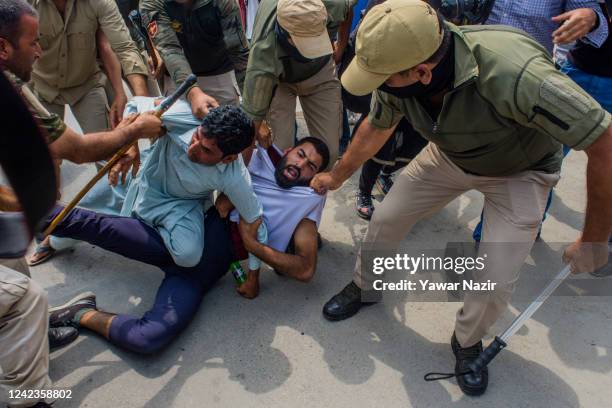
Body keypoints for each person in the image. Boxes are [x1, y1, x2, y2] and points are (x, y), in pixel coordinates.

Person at [311, 0, 612, 396]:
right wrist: (337, 175)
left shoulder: (517, 73)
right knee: (386, 219)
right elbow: (376, 126)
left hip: (519, 172)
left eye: (381, 79)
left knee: (494, 278)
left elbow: (605, 142)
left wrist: (592, 240)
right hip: (450, 155)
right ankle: (364, 286)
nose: (376, 86)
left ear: (422, 71)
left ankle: (467, 342)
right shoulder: (397, 69)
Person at [42, 102, 269, 354]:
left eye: (205, 150)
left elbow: (256, 224)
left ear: (228, 158)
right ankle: (37, 219)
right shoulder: (186, 117)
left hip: (182, 233)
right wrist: (131, 143)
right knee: (76, 227)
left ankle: (81, 313)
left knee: (151, 331)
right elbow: (135, 105)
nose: (193, 148)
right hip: (143, 184)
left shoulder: (236, 179)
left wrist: (254, 276)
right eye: (197, 137)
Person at [471, 0, 610, 241]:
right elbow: (592, 15)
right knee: (537, 158)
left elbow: (594, 18)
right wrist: (592, 17)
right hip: (581, 72)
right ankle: (503, 233)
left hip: (574, 69)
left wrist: (593, 18)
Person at [241, 0, 355, 166]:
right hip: (279, 80)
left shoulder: (334, 3)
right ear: (287, 35)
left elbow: (347, 10)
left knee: (328, 153)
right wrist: (237, 180)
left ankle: (312, 191)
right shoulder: (264, 53)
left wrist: (341, 47)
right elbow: (251, 123)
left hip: (321, 71)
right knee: (278, 153)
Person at [215, 137, 330, 298]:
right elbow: (221, 205)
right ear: (287, 151)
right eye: (300, 154)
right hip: (208, 229)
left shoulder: (309, 198)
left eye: (310, 167)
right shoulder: (255, 159)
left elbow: (306, 270)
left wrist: (252, 245)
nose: (300, 165)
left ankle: (289, 240)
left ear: (314, 177)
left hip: (226, 251)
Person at [28, 0, 150, 134]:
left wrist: (141, 101)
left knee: (106, 148)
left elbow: (123, 48)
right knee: (44, 150)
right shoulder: (25, 4)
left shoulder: (99, 3)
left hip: (86, 85)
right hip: (41, 87)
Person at [139, 0, 249, 118]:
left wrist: (252, 111)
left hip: (220, 75)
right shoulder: (151, 2)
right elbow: (170, 50)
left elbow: (239, 53)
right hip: (177, 81)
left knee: (231, 128)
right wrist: (193, 92)